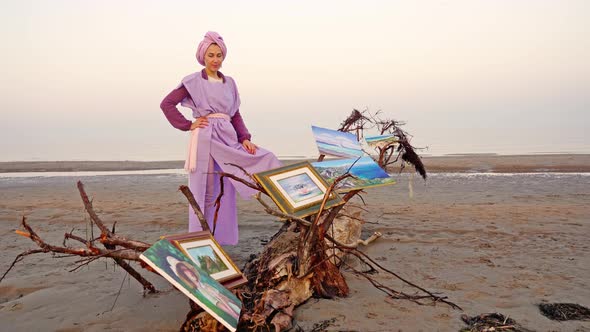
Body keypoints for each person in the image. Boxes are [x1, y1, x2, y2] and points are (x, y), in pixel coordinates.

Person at [160, 31, 282, 245]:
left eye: (219, 55)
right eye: (211, 55)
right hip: (205, 138)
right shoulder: (193, 81)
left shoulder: (230, 83)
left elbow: (234, 114)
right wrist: (188, 125)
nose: (215, 60)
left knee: (235, 179)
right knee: (204, 189)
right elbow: (167, 104)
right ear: (202, 57)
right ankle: (200, 241)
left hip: (228, 137)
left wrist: (245, 137)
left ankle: (221, 239)